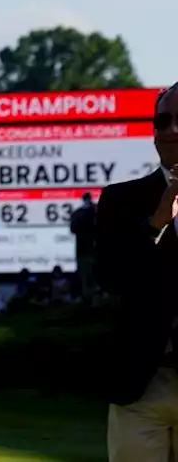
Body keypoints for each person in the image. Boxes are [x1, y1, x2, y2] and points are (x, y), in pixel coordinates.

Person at [96, 81, 178, 461]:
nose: (171, 129)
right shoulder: (121, 199)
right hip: (143, 384)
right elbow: (110, 276)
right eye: (163, 121)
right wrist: (154, 224)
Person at [69, 190, 97, 303]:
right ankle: (91, 300)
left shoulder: (77, 214)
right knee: (91, 278)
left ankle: (88, 299)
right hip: (91, 250)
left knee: (86, 278)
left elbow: (73, 229)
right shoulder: (95, 212)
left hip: (83, 251)